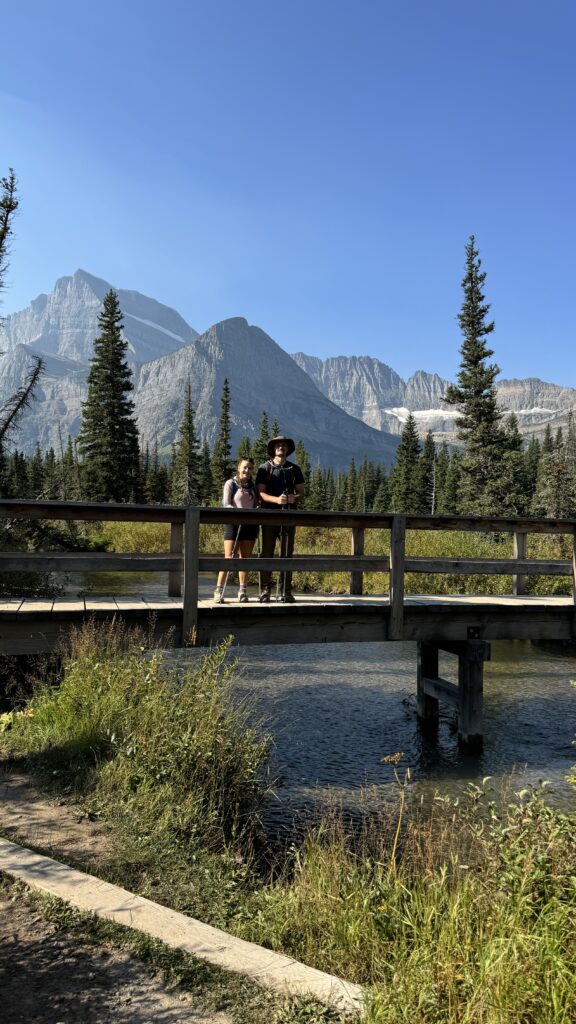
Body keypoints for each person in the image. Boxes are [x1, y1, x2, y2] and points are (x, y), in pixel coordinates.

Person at [256, 436, 305, 602]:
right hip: (269, 516)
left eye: (283, 445)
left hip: (289, 517)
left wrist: (293, 498)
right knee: (267, 554)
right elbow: (260, 493)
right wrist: (276, 500)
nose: (281, 447)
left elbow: (301, 493)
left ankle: (286, 591)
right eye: (278, 445)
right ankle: (265, 591)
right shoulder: (265, 468)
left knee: (287, 554)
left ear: (287, 449)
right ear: (273, 449)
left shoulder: (295, 469)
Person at [214, 457, 259, 603]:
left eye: (250, 468)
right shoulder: (230, 484)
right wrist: (236, 512)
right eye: (245, 467)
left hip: (250, 525)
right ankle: (218, 590)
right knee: (229, 557)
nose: (247, 470)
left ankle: (242, 591)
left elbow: (256, 504)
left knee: (245, 560)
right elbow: (226, 504)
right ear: (239, 468)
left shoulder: (253, 487)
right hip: (232, 523)